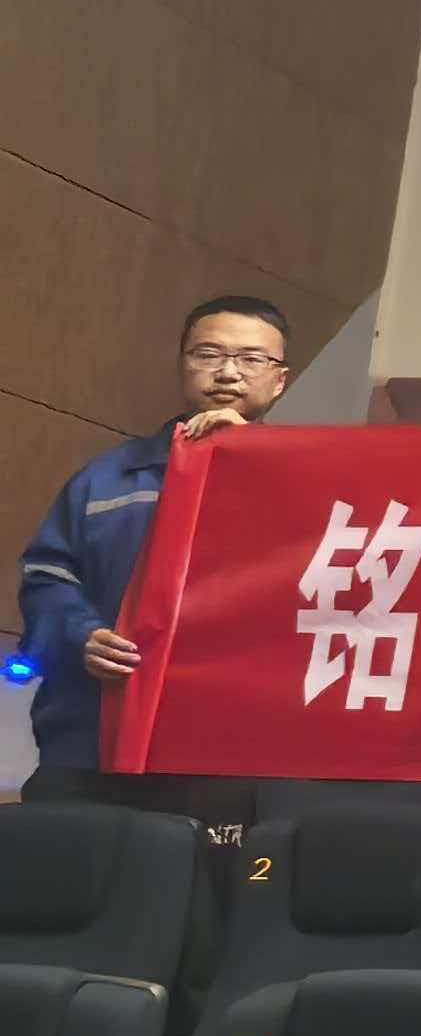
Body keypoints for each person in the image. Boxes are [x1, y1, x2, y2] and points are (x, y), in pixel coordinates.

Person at [12, 295, 291, 802]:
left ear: (279, 381)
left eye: (252, 359)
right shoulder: (109, 476)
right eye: (208, 354)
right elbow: (47, 576)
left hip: (228, 750)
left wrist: (254, 461)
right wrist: (82, 635)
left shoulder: (301, 482)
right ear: (183, 365)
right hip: (90, 738)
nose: (228, 373)